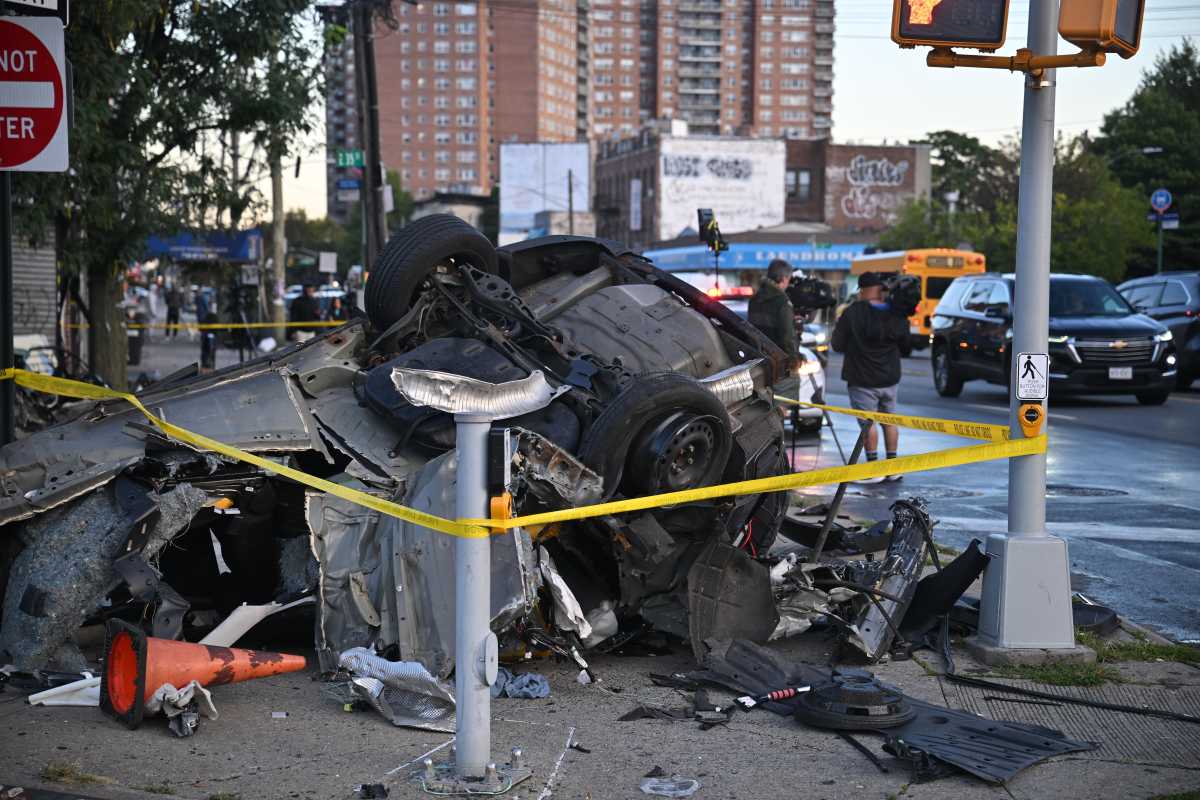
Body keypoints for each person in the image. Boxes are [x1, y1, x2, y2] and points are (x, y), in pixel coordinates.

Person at [831, 272, 910, 483]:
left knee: (868, 423)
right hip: (890, 378)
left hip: (862, 378)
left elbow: (837, 345)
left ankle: (873, 469)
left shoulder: (853, 312)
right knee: (890, 420)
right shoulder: (896, 312)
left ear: (864, 290)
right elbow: (906, 343)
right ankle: (892, 467)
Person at [749, 259, 799, 423]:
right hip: (779, 364)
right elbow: (787, 337)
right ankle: (779, 440)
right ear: (784, 278)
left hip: (759, 361)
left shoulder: (755, 299)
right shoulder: (782, 301)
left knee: (764, 407)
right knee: (780, 408)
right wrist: (793, 361)